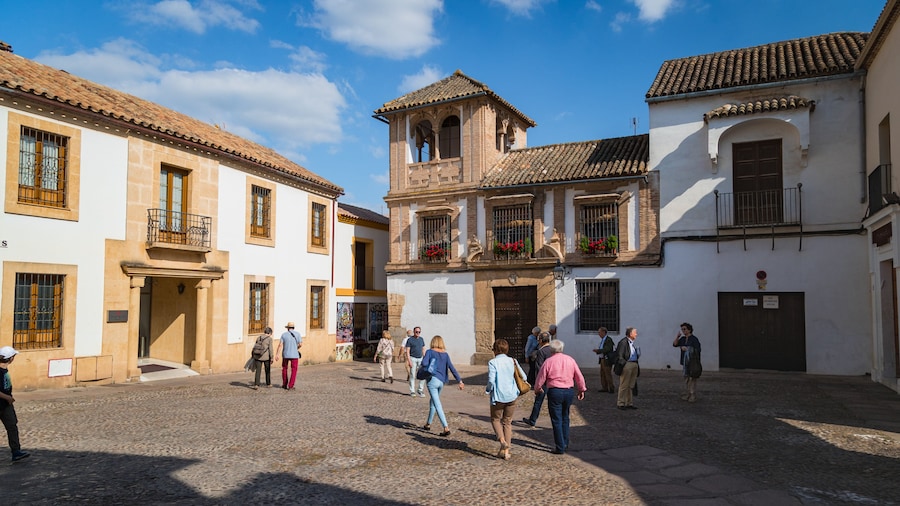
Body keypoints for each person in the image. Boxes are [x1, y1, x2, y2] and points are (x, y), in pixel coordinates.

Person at [534, 340, 587, 455]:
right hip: (568, 391)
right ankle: (565, 442)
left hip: (555, 391)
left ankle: (560, 446)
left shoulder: (549, 362)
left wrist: (537, 388)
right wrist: (581, 389)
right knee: (565, 417)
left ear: (551, 350)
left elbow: (541, 377)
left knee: (556, 419)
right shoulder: (570, 360)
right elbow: (579, 376)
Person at [486, 338, 527, 460]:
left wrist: (488, 389)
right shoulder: (512, 361)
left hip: (499, 396)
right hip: (512, 395)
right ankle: (506, 452)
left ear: (495, 350)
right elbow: (524, 376)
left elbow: (491, 380)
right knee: (507, 422)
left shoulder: (493, 362)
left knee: (495, 419)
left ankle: (502, 441)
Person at [421, 335, 464, 436]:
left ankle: (446, 427)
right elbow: (452, 368)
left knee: (437, 404)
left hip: (432, 381)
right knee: (433, 401)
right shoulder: (445, 354)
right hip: (441, 382)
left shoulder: (429, 352)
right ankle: (428, 424)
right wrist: (460, 381)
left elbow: (424, 363)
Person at [0, 346, 29, 462]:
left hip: (6, 405)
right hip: (4, 401)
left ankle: (16, 451)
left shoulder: (4, 370)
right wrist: (7, 397)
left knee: (12, 426)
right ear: (11, 358)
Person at [521, 332, 552, 427]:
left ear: (541, 341)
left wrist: (538, 383)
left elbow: (539, 369)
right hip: (552, 380)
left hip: (544, 381)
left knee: (538, 402)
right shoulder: (552, 350)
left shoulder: (541, 352)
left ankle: (532, 420)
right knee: (552, 403)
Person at [673, 322, 701, 402]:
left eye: (684, 329)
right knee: (687, 378)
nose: (683, 331)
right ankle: (688, 393)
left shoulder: (694, 339)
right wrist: (677, 337)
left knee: (692, 378)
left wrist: (688, 349)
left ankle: (692, 394)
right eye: (682, 329)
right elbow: (675, 344)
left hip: (692, 362)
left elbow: (698, 350)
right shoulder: (683, 339)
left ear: (689, 330)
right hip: (685, 362)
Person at [614, 327, 640, 410]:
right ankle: (621, 403)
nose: (636, 334)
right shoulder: (623, 342)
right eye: (635, 333)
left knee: (631, 385)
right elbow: (619, 355)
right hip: (627, 364)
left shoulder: (632, 343)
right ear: (630, 334)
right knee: (624, 384)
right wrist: (624, 364)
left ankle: (629, 402)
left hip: (634, 363)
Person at [275, 321, 302, 390]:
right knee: (294, 370)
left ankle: (284, 384)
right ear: (293, 327)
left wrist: (277, 354)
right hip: (294, 355)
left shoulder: (284, 335)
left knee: (284, 368)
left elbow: (280, 345)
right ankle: (291, 385)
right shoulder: (298, 334)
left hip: (285, 354)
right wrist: (296, 348)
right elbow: (300, 344)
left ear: (287, 328)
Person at [592, 327, 615, 393]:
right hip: (602, 358)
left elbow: (608, 349)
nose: (599, 334)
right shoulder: (603, 340)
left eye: (600, 332)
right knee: (602, 374)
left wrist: (598, 351)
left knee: (607, 374)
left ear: (603, 332)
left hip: (607, 359)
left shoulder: (608, 340)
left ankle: (611, 387)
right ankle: (604, 387)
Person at [405, 327, 427, 397]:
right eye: (416, 332)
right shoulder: (410, 340)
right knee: (412, 375)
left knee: (423, 374)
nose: (418, 333)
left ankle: (420, 389)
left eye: (419, 332)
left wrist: (425, 358)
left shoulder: (421, 339)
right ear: (414, 332)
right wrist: (409, 361)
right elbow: (407, 351)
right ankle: (412, 390)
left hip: (420, 358)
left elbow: (423, 349)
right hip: (413, 358)